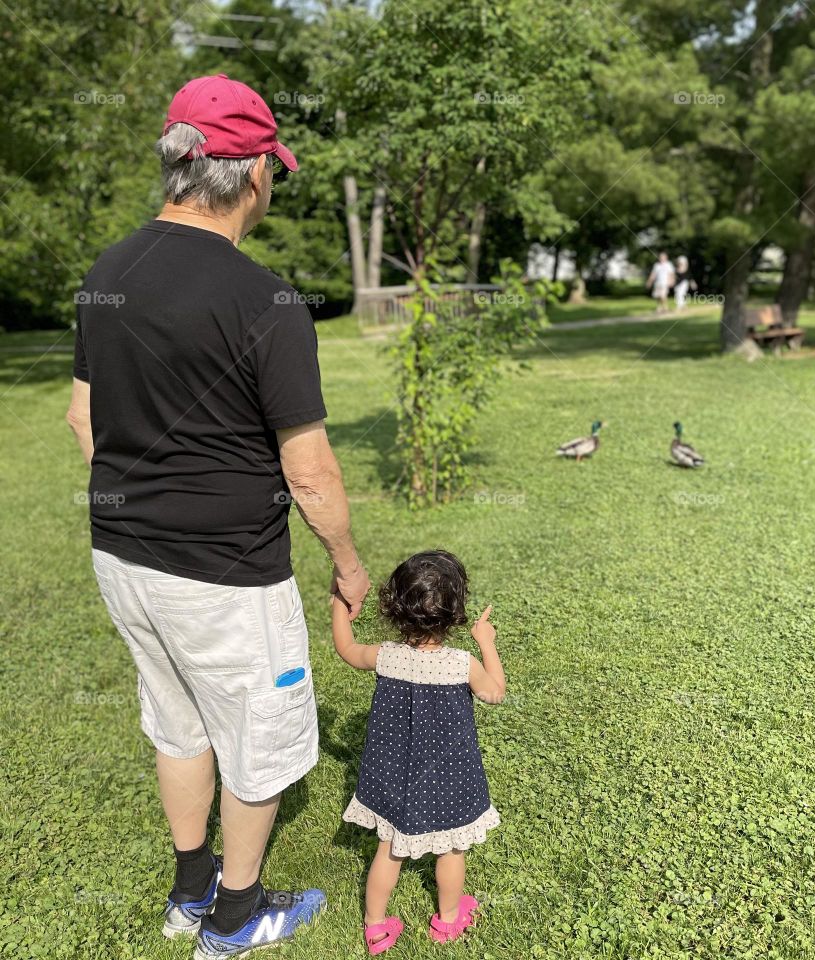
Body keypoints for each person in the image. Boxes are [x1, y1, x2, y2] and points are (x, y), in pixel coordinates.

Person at [65, 73, 371, 958]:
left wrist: (149, 501)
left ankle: (189, 887)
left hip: (124, 560)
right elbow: (309, 475)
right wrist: (349, 569)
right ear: (246, 174)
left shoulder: (108, 271)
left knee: (177, 721)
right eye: (272, 166)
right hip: (227, 573)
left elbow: (84, 419)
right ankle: (236, 919)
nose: (273, 183)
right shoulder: (264, 300)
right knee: (258, 741)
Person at [331, 551, 505, 955]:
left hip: (392, 776)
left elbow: (346, 648)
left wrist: (340, 606)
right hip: (448, 779)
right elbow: (495, 693)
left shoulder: (385, 656)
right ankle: (448, 920)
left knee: (389, 849)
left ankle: (375, 927)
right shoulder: (462, 665)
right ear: (455, 614)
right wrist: (487, 643)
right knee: (451, 849)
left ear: (396, 608)